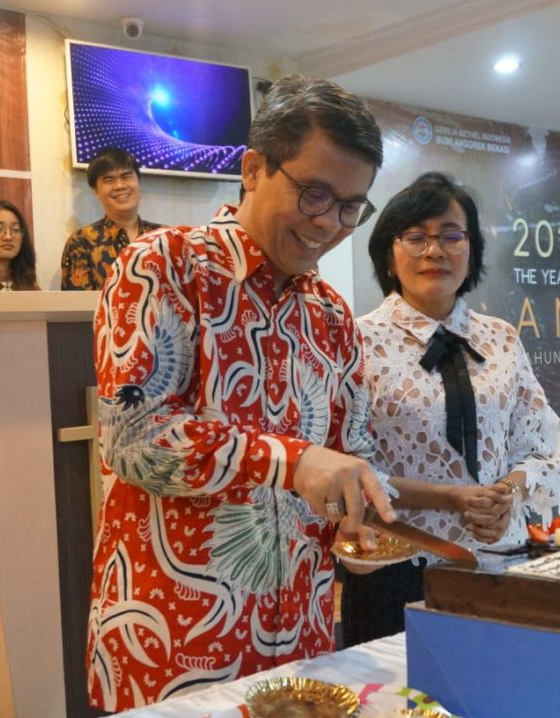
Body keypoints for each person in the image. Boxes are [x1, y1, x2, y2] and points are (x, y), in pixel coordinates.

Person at [86, 75, 396, 711]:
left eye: (350, 207)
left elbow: (352, 451)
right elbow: (134, 438)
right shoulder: (163, 265)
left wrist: (357, 527)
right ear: (253, 169)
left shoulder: (332, 315)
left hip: (304, 636)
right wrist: (289, 460)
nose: (329, 223)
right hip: (173, 638)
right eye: (315, 194)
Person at [340, 172, 560, 646]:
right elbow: (345, 467)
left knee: (499, 683)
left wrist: (506, 493)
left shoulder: (501, 337)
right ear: (388, 254)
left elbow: (544, 445)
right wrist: (451, 498)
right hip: (395, 568)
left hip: (499, 564)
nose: (435, 251)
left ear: (472, 249)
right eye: (415, 237)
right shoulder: (355, 341)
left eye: (451, 235)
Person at [60, 147, 161, 290]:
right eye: (109, 180)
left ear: (139, 182)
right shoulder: (81, 242)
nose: (120, 186)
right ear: (96, 191)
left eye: (126, 176)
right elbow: (76, 303)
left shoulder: (164, 237)